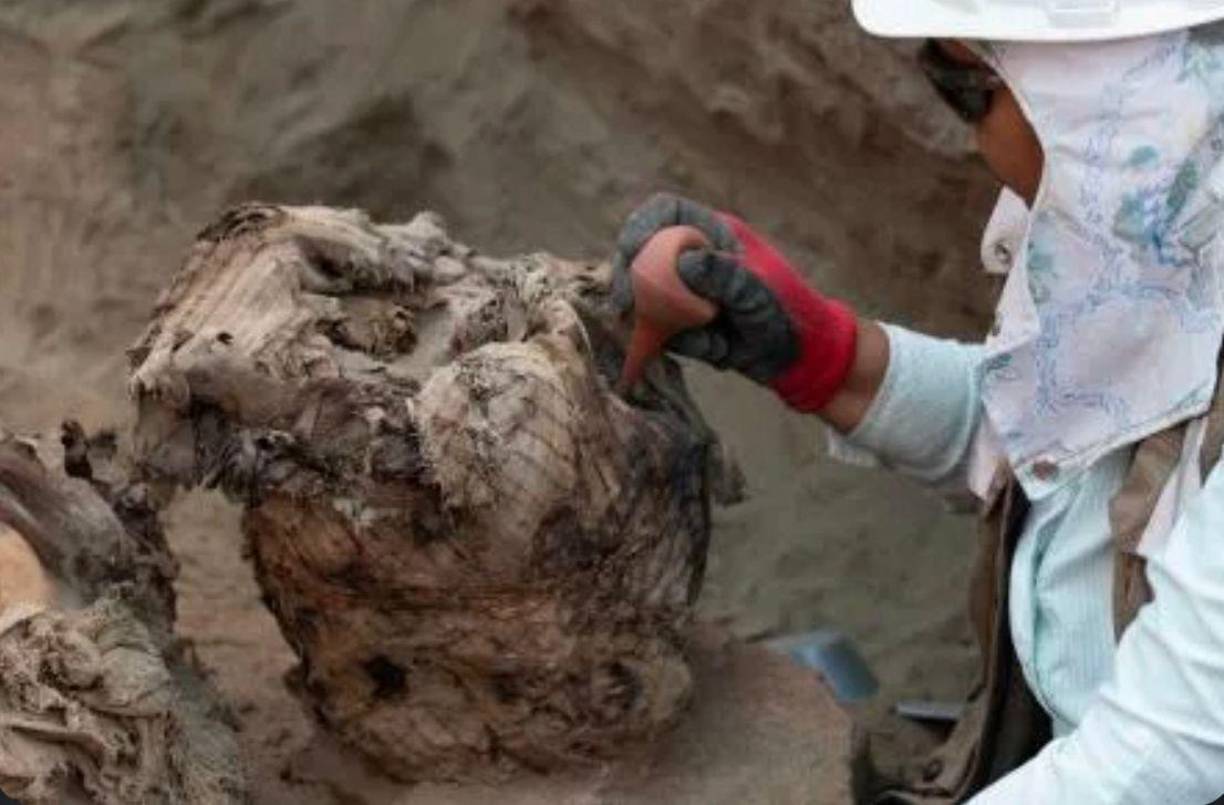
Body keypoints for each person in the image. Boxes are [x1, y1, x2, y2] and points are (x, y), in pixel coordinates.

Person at [612, 3, 1224, 803]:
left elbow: (1157, 763)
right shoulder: (1169, 244)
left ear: (1108, 96)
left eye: (965, 87)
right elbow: (1061, 440)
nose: (974, 138)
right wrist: (825, 356)